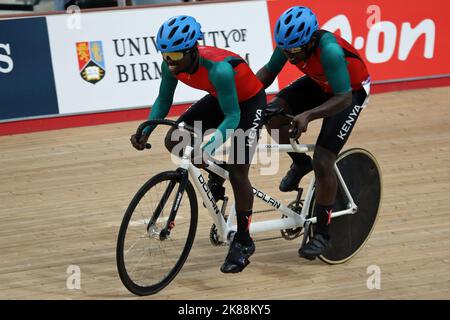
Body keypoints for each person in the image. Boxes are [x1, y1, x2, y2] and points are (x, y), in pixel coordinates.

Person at [131, 15, 267, 273]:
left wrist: (208, 148)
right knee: (174, 138)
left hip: (248, 104)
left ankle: (243, 241)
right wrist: (146, 129)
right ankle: (216, 176)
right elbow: (163, 100)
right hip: (220, 98)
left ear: (192, 50)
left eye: (174, 57)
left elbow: (233, 117)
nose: (169, 63)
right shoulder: (170, 65)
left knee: (238, 171)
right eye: (164, 56)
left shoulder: (219, 69)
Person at [256, 6, 370, 259]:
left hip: (349, 92)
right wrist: (247, 94)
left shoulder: (329, 50)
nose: (290, 56)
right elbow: (268, 72)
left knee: (323, 160)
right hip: (321, 82)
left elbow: (342, 98)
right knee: (272, 116)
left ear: (309, 39)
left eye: (295, 50)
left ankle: (323, 234)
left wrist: (309, 114)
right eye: (286, 49)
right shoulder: (290, 42)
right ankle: (299, 163)